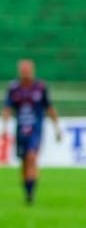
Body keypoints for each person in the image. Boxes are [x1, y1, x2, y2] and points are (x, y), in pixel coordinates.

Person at [2, 59, 62, 204]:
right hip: (21, 131)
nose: (25, 74)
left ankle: (31, 195)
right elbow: (7, 109)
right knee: (24, 162)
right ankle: (27, 191)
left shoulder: (40, 88)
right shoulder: (13, 88)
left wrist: (57, 128)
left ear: (32, 71)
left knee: (31, 157)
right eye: (23, 71)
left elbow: (49, 108)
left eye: (27, 71)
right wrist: (4, 128)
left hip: (36, 130)